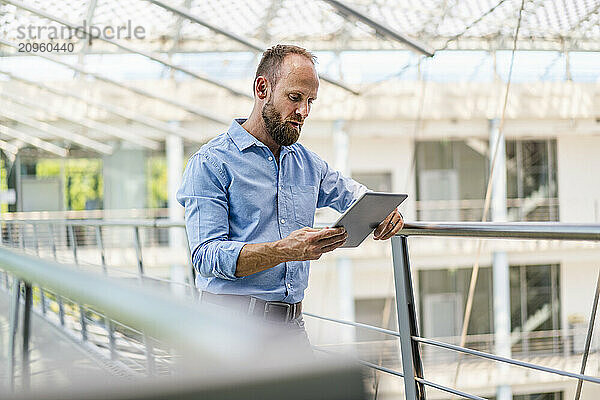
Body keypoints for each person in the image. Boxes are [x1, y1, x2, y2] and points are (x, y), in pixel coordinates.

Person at [177, 44, 404, 344]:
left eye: (310, 101)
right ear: (262, 89)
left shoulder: (307, 163)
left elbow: (352, 194)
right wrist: (285, 250)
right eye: (295, 98)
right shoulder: (210, 163)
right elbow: (206, 256)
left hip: (291, 326)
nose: (304, 112)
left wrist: (384, 212)